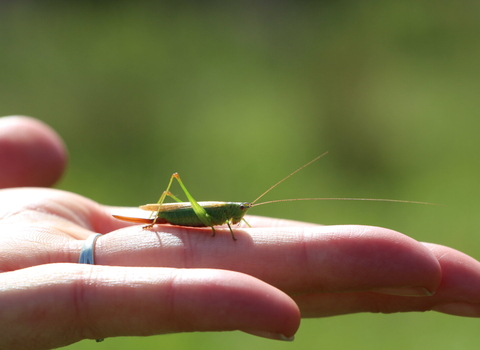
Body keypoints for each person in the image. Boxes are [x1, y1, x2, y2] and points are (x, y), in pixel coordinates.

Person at [1, 115, 479, 350]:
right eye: (241, 213)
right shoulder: (221, 219)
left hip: (197, 217)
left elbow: (229, 220)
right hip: (187, 214)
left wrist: (229, 224)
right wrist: (190, 222)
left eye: (241, 213)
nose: (242, 216)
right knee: (178, 198)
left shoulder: (233, 217)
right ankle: (161, 213)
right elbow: (216, 221)